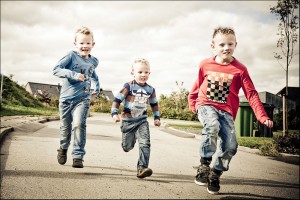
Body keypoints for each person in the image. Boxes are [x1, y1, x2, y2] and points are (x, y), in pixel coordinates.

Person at [188, 26, 273, 194]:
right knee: (211, 126)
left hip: (227, 111)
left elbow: (251, 93)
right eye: (221, 45)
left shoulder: (240, 69)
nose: (226, 47)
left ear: (236, 44)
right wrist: (192, 102)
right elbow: (197, 85)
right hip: (206, 105)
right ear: (213, 46)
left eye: (230, 44)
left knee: (231, 146)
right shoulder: (205, 64)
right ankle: (204, 165)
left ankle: (216, 173)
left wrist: (262, 115)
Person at [53, 26, 100, 168]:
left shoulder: (94, 61)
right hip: (66, 100)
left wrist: (97, 87)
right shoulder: (70, 56)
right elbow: (56, 69)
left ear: (93, 44)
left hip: (83, 99)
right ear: (75, 44)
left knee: (79, 125)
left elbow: (93, 74)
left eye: (87, 43)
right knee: (65, 128)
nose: (85, 46)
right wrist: (73, 74)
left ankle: (78, 155)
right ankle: (63, 148)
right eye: (81, 43)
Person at [111, 58, 161, 179]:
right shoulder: (128, 86)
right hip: (128, 121)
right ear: (132, 72)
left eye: (146, 72)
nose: (143, 75)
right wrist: (114, 113)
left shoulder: (150, 89)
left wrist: (156, 117)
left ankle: (142, 168)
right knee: (127, 147)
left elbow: (154, 104)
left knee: (145, 143)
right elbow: (117, 100)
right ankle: (128, 143)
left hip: (142, 120)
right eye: (140, 72)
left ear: (149, 73)